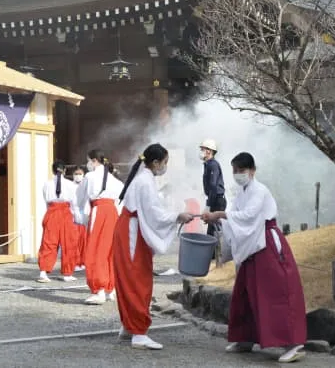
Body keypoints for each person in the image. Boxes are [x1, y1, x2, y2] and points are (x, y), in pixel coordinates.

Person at [201, 152, 307, 363]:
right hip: (251, 245)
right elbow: (236, 217)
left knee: (275, 294)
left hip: (266, 243)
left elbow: (249, 216)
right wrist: (220, 218)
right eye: (235, 171)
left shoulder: (260, 190)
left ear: (252, 171)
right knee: (246, 293)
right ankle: (246, 337)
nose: (238, 175)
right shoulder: (243, 191)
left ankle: (293, 343)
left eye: (241, 171)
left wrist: (220, 215)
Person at [114, 143, 194, 350]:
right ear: (156, 162)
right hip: (133, 231)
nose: (165, 166)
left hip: (131, 228)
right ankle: (138, 332)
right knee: (137, 279)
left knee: (129, 278)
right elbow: (154, 214)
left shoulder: (143, 179)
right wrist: (177, 216)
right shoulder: (145, 182)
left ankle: (130, 325)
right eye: (165, 162)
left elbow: (152, 210)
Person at [77, 149, 124, 305]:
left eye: (88, 160)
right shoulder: (116, 181)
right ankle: (112, 288)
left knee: (96, 250)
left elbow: (80, 198)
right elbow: (121, 203)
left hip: (98, 210)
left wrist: (83, 217)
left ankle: (99, 290)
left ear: (94, 161)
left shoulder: (90, 177)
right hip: (113, 213)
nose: (88, 164)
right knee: (110, 251)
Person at [37, 160, 80, 283]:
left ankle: (43, 272)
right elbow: (74, 203)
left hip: (52, 212)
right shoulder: (71, 185)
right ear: (65, 170)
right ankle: (67, 273)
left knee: (48, 242)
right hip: (66, 212)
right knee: (69, 243)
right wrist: (76, 217)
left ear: (52, 171)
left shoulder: (47, 184)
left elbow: (46, 200)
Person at [199, 139, 226, 237]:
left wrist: (208, 206)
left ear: (209, 151)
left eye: (202, 149)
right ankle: (213, 252)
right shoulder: (207, 165)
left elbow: (213, 187)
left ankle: (218, 252)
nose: (200, 152)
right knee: (211, 231)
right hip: (214, 200)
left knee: (214, 232)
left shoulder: (213, 165)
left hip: (218, 201)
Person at [72, 166, 88, 272]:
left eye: (80, 174)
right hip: (73, 215)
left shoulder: (87, 186)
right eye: (76, 174)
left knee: (85, 240)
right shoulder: (70, 186)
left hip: (84, 215)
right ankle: (76, 262)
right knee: (75, 241)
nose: (78, 176)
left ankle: (84, 261)